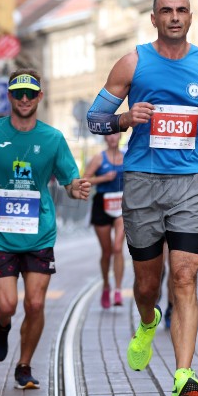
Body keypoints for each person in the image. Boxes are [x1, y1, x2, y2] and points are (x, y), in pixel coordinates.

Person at [86, 0, 198, 396]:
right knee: (148, 284)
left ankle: (183, 377)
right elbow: (93, 120)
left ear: (191, 17)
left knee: (185, 276)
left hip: (191, 181)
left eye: (182, 10)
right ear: (153, 18)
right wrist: (124, 118)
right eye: (166, 10)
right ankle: (148, 322)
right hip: (142, 182)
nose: (174, 16)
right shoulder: (132, 62)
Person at [0, 69, 90, 390]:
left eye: (30, 94)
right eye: (18, 93)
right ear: (9, 96)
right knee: (7, 305)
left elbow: (69, 181)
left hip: (39, 232)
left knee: (35, 304)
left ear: (39, 97)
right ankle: (1, 325)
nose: (23, 99)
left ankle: (24, 365)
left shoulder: (53, 138)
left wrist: (78, 188)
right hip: (0, 232)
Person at [83, 132, 125, 308]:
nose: (112, 138)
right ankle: (106, 285)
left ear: (120, 136)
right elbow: (83, 180)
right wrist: (103, 178)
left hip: (122, 205)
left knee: (117, 248)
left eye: (115, 134)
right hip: (102, 204)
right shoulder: (98, 158)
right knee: (107, 251)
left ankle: (118, 290)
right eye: (109, 135)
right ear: (105, 138)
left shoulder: (128, 157)